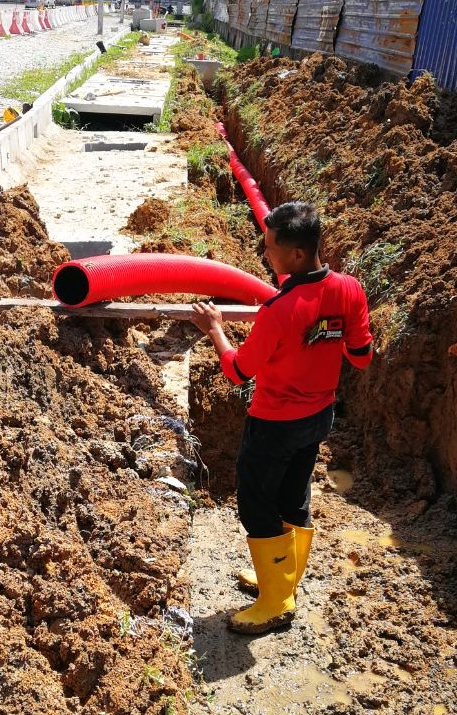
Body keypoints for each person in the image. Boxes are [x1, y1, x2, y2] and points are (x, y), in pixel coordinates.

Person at [189, 201, 373, 635]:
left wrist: (215, 328)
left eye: (271, 248)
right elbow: (361, 358)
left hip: (274, 423)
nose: (264, 254)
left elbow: (237, 371)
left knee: (256, 505)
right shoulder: (350, 289)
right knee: (293, 495)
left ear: (297, 255)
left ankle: (275, 602)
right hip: (319, 415)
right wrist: (327, 336)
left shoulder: (279, 310)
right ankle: (282, 578)